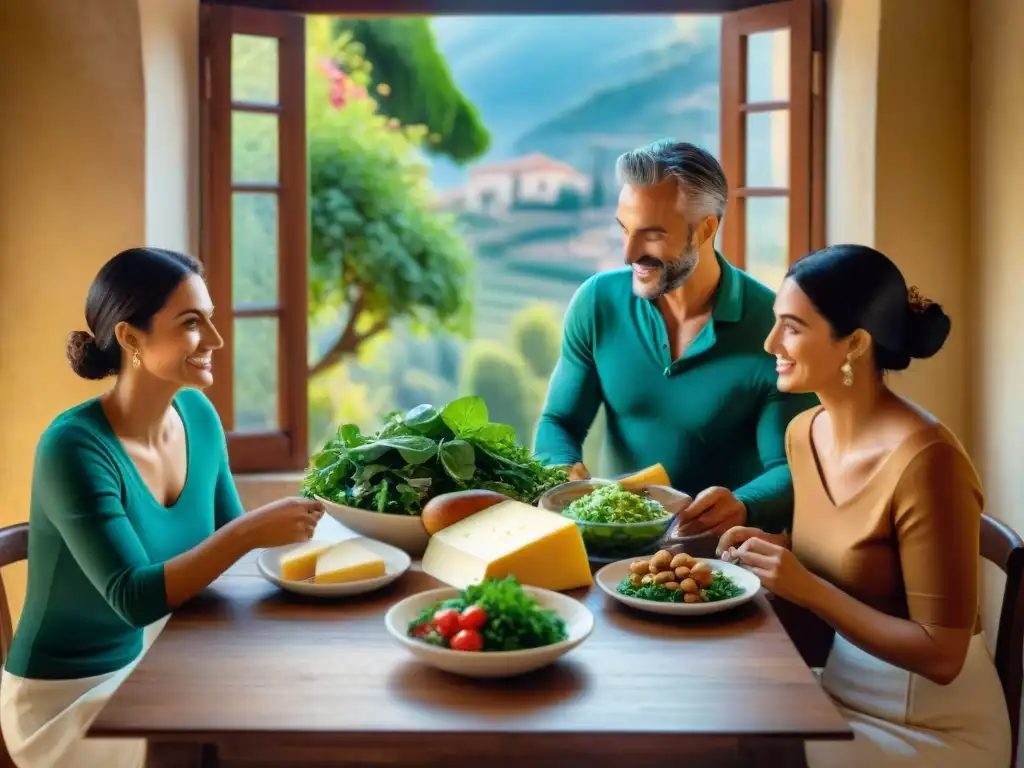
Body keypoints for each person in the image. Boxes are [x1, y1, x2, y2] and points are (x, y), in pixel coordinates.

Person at [0, 248, 326, 768]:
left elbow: (232, 561)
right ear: (131, 337)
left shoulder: (198, 415)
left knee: (290, 712)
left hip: (156, 662)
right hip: (66, 699)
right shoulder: (73, 448)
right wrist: (250, 532)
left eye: (211, 320)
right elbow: (133, 597)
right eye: (192, 323)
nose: (216, 341)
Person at [717, 244, 1011, 767]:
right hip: (839, 689)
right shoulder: (804, 432)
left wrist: (805, 587)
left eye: (792, 327)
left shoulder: (929, 462)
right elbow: (850, 559)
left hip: (931, 729)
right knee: (710, 723)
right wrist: (776, 550)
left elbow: (942, 656)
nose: (770, 343)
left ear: (854, 343)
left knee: (747, 754)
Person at [534, 139, 817, 536]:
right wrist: (559, 465)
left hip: (720, 557)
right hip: (613, 543)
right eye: (624, 230)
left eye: (650, 235)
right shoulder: (597, 302)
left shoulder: (773, 330)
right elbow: (560, 420)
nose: (629, 252)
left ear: (705, 229)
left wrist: (743, 505)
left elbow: (794, 467)